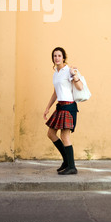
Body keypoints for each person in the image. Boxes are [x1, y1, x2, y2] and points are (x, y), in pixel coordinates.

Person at [43, 47, 83, 175]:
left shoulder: (69, 71)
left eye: (59, 55)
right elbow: (55, 92)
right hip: (60, 106)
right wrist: (48, 107)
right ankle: (66, 161)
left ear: (63, 58)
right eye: (55, 56)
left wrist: (75, 74)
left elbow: (80, 87)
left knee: (65, 136)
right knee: (51, 134)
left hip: (69, 106)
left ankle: (72, 167)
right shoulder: (56, 73)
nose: (57, 58)